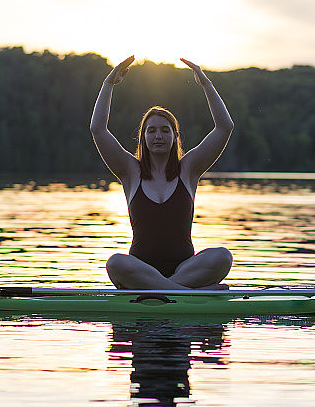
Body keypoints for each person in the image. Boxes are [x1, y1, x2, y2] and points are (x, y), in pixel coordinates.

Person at [90, 56, 235, 290]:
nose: (158, 136)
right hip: (140, 269)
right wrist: (108, 84)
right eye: (152, 131)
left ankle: (165, 289)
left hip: (185, 269)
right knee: (115, 263)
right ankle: (186, 294)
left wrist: (206, 85)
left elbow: (224, 127)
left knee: (222, 257)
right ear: (143, 137)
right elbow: (98, 129)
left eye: (165, 130)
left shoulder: (189, 169)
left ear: (175, 136)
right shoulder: (130, 171)